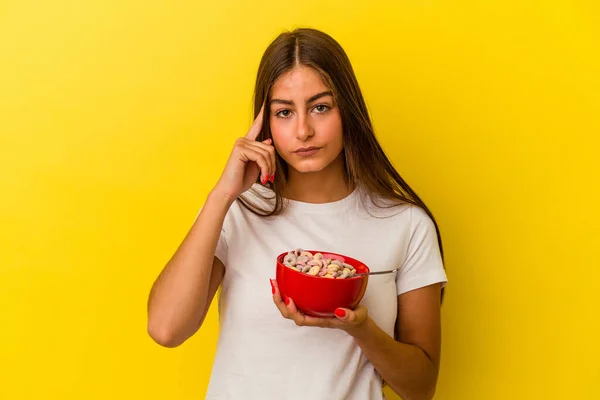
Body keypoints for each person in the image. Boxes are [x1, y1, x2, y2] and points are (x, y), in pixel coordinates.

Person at [147, 27, 448, 400]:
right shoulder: (237, 211)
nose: (303, 130)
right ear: (265, 124)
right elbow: (166, 329)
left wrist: (360, 327)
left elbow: (421, 388)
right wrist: (222, 194)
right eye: (284, 112)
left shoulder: (406, 225)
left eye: (320, 107)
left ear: (347, 111)